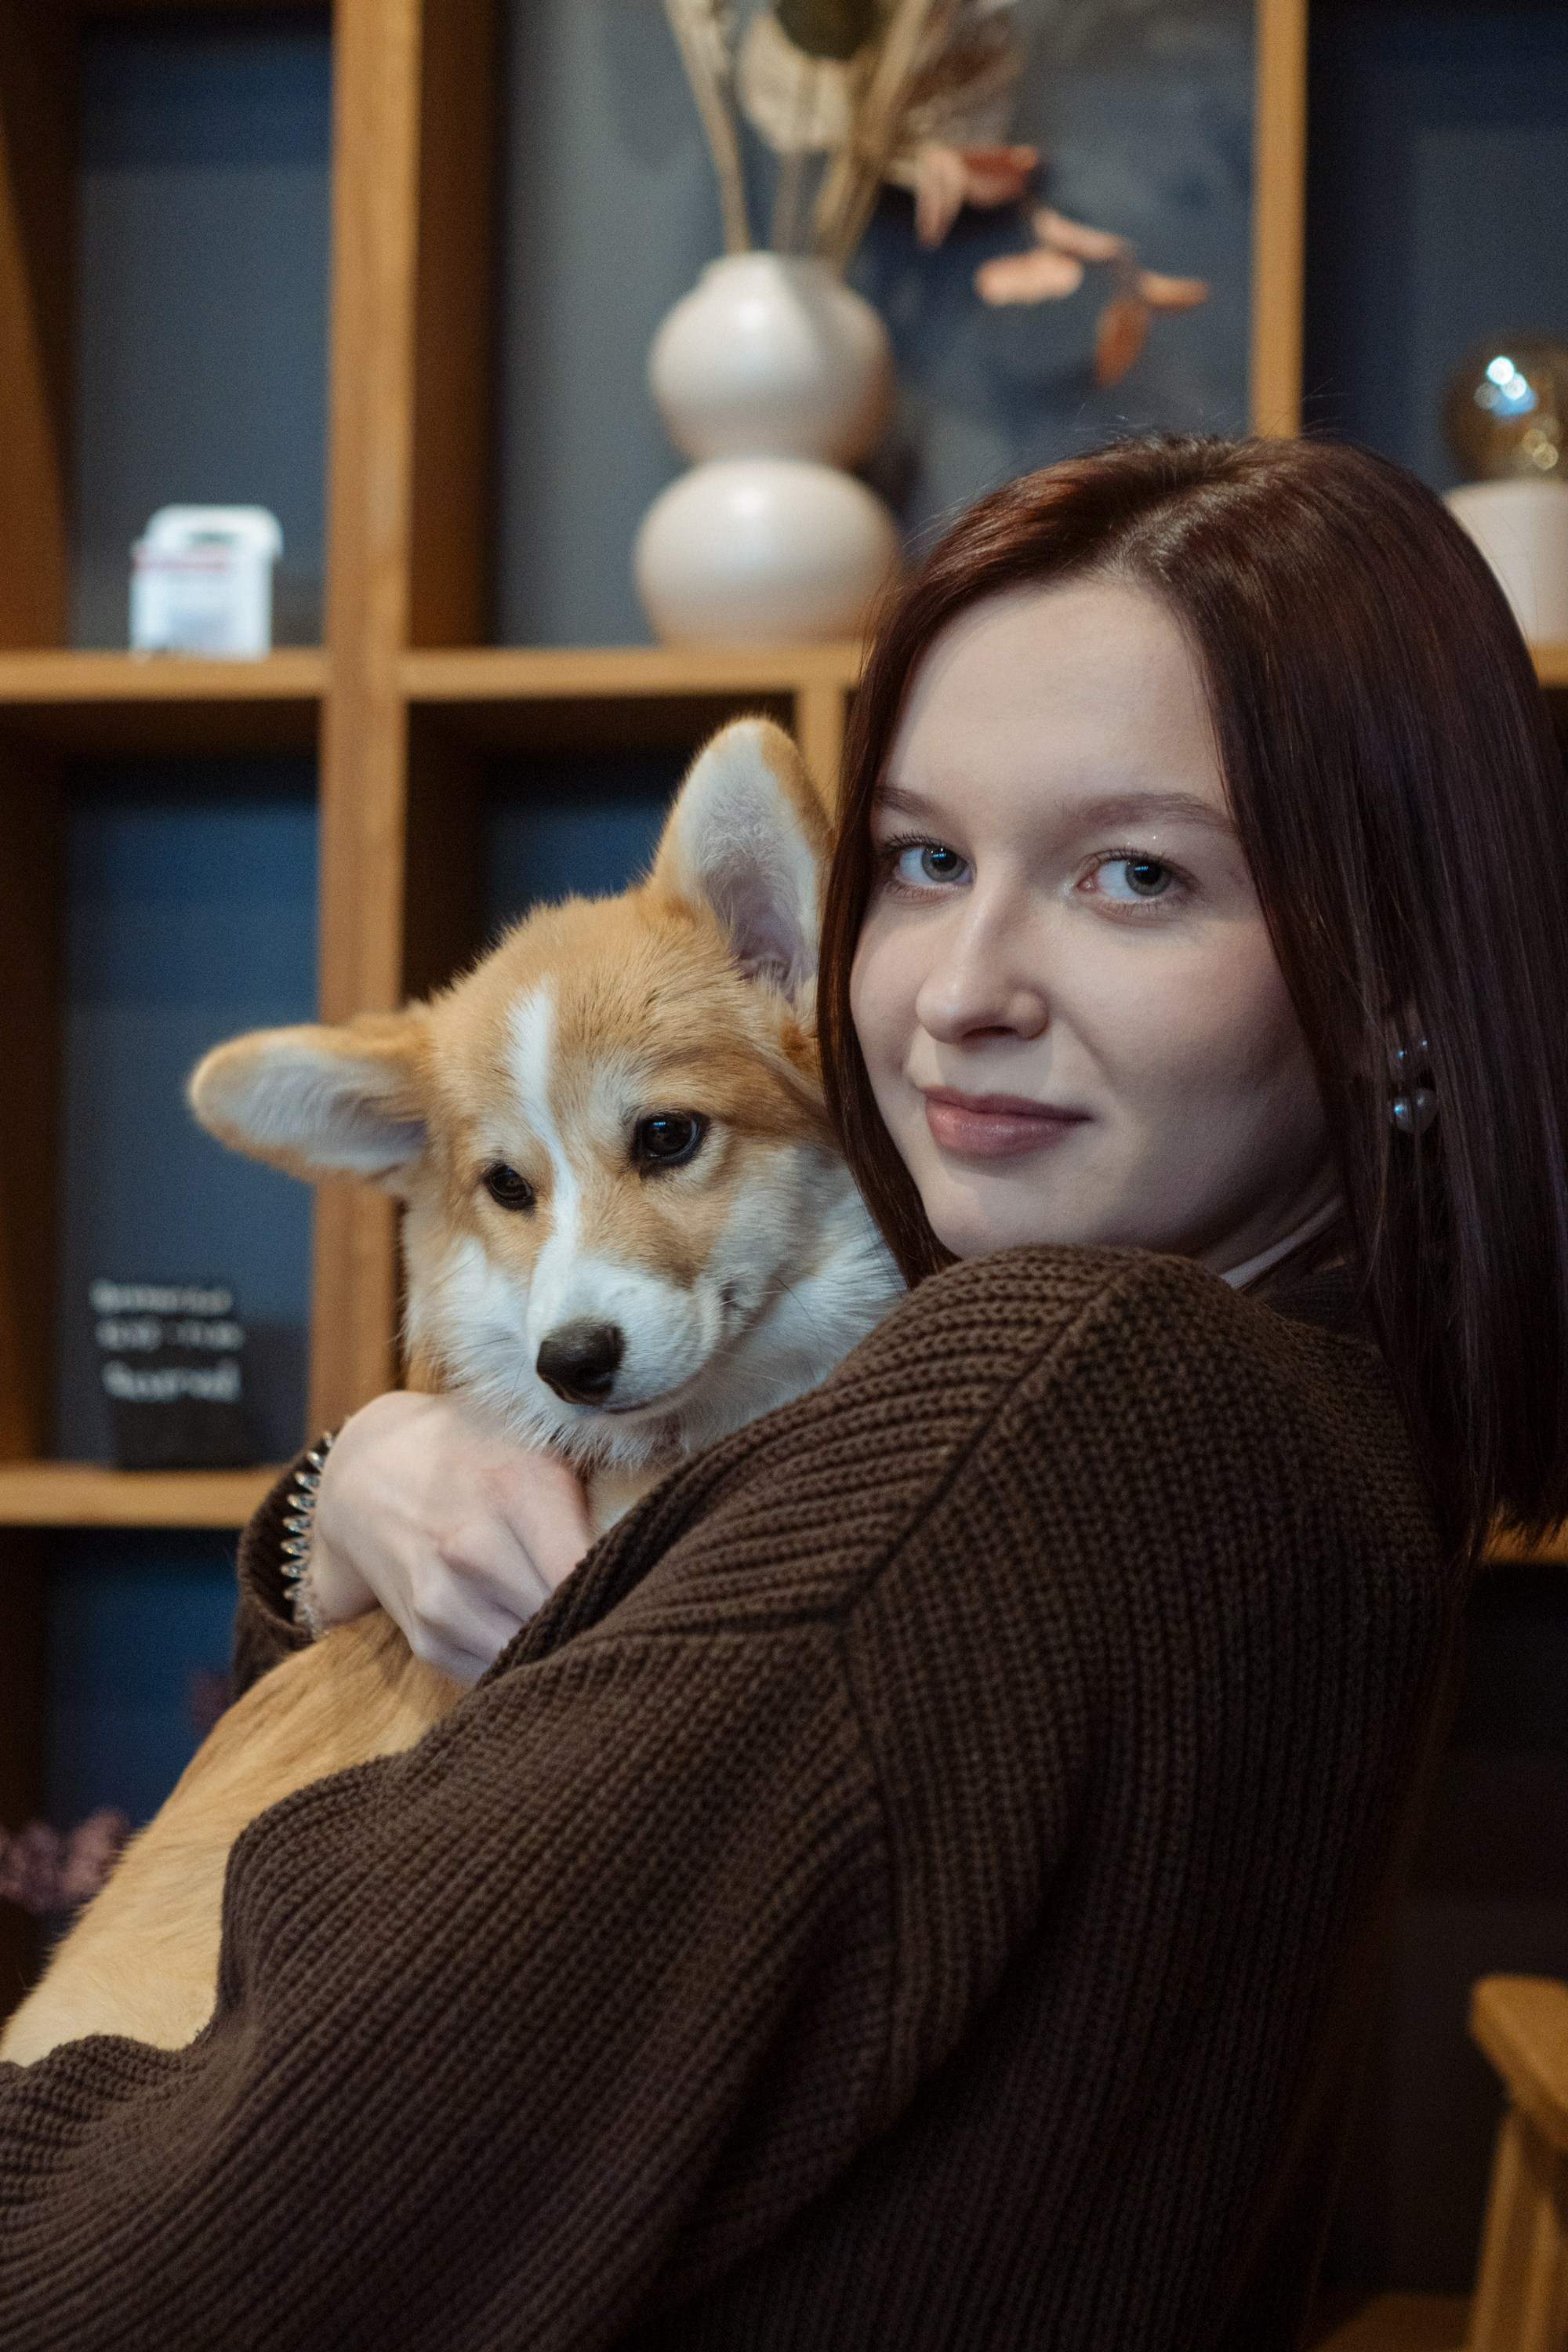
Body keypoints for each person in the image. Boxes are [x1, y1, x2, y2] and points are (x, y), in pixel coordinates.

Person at [5, 434, 1566, 2350]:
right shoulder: (1322, 1423)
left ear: (1395, 971)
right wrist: (350, 1505)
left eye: (1134, 874)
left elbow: (151, 2277)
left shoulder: (1052, 1401)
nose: (949, 989)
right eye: (918, 859)